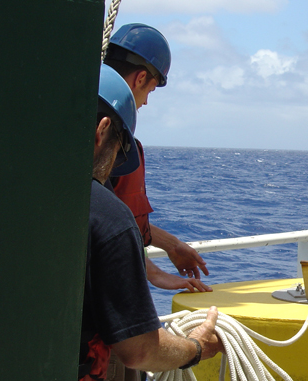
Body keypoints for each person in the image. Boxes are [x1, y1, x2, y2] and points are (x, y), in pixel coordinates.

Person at [79, 65, 224, 381]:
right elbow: (141, 351)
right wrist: (196, 347)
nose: (113, 170)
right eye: (119, 151)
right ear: (102, 130)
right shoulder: (109, 216)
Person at [103, 23, 212, 293]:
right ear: (140, 79)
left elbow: (111, 212)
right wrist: (154, 273)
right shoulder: (110, 143)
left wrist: (170, 244)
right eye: (150, 90)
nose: (146, 102)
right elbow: (100, 226)